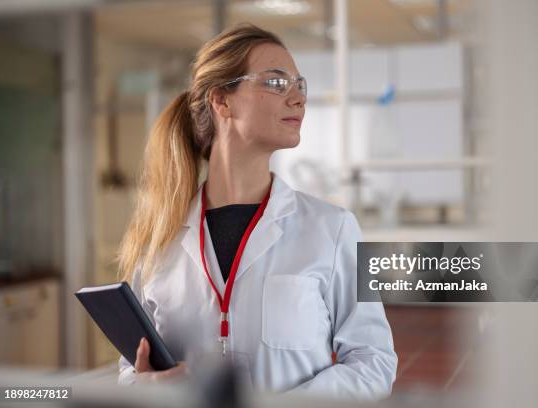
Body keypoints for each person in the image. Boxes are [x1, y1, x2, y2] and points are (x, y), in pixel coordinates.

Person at [116, 23, 397, 401]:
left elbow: (373, 359)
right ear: (222, 100)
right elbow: (131, 367)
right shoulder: (159, 238)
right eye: (277, 83)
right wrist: (144, 385)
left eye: (301, 85)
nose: (298, 98)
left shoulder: (332, 229)